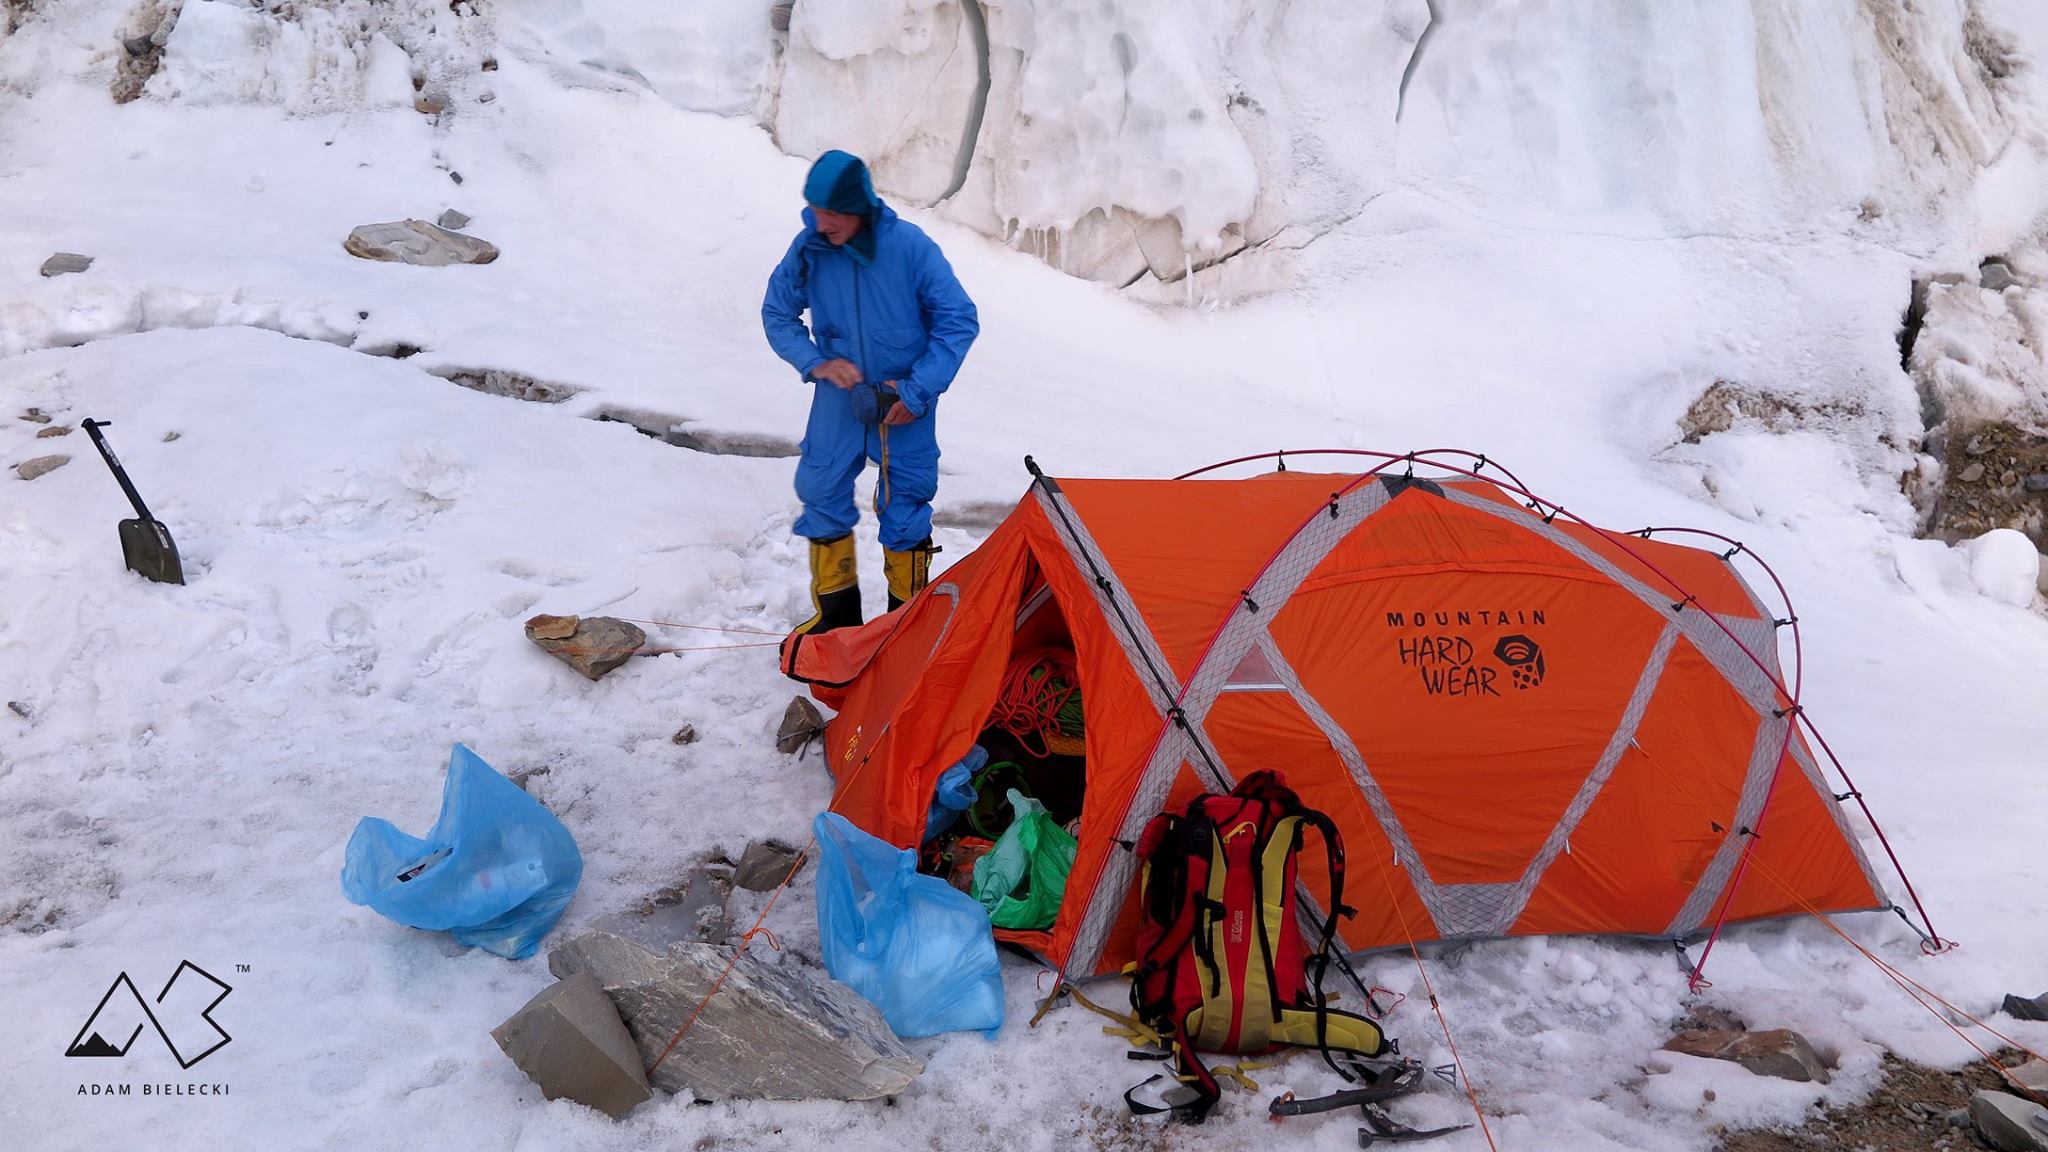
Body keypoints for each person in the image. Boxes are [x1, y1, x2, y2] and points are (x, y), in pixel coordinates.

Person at [762, 150, 980, 634]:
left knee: (905, 504)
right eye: (816, 210)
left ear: (859, 207)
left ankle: (906, 627)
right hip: (839, 398)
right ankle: (834, 620)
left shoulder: (909, 248)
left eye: (834, 212)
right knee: (821, 490)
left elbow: (958, 319)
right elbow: (777, 314)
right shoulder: (810, 248)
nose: (823, 223)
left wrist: (917, 390)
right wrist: (816, 361)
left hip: (901, 398)